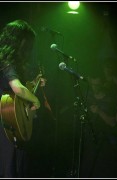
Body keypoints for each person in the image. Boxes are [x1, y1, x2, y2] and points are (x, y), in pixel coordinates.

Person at [0, 19, 46, 178]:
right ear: (20, 40)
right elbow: (17, 88)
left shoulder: (4, 58)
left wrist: (33, 84)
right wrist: (35, 99)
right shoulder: (7, 61)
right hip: (3, 124)